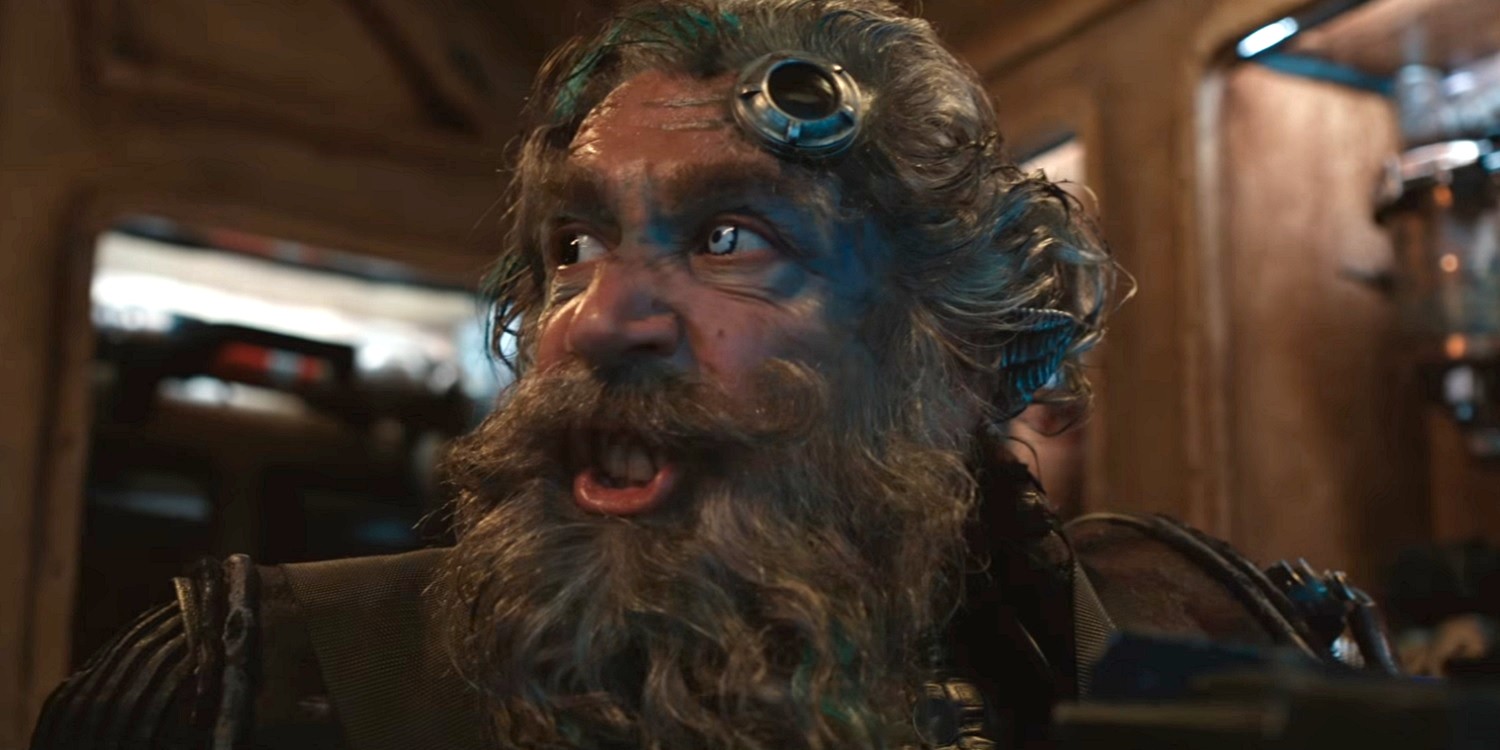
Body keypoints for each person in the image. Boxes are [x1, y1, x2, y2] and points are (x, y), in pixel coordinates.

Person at [30, 2, 1373, 748]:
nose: (596, 319)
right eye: (571, 246)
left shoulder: (1200, 653)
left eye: (732, 238)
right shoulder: (244, 687)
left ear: (949, 346)